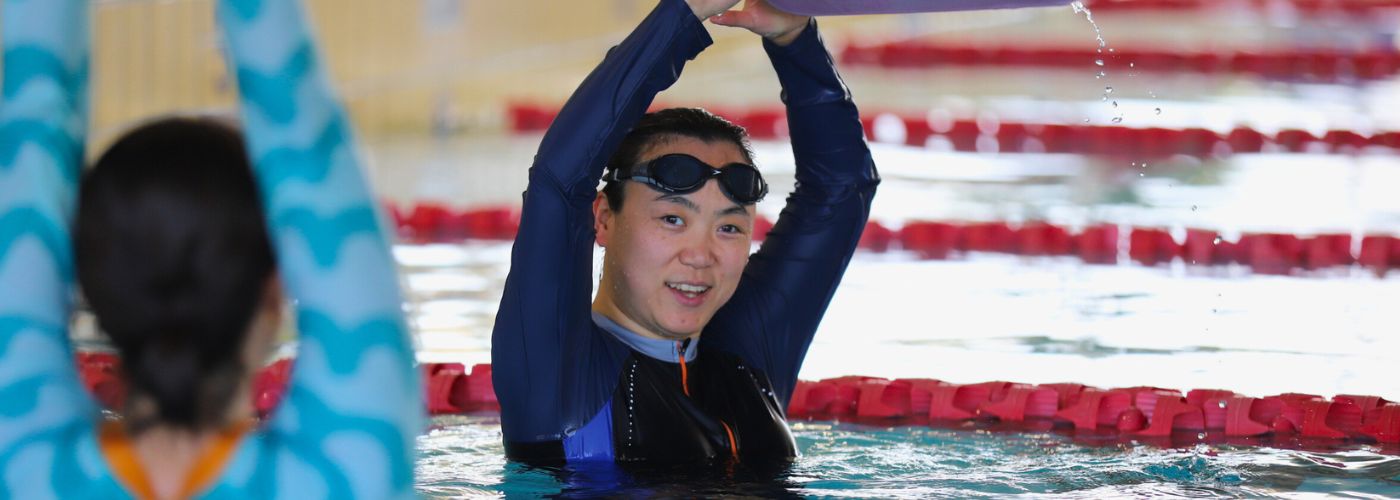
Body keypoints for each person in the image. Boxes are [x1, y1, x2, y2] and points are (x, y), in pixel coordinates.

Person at [0, 0, 420, 498]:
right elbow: (306, 138)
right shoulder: (345, 473)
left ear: (87, 286)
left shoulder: (24, 466)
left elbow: (30, 126)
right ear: (274, 287)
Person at [492, 0, 878, 463]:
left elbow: (842, 190)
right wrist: (683, 13)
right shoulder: (557, 374)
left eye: (729, 227)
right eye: (673, 219)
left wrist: (794, 40)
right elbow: (559, 182)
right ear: (602, 218)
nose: (701, 255)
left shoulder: (746, 352)